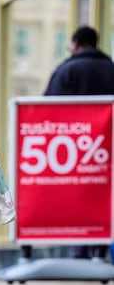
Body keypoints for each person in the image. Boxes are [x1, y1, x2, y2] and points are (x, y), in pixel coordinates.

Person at [44, 26, 114, 259]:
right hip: (105, 150)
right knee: (104, 197)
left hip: (73, 151)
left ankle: (81, 249)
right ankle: (101, 248)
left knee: (77, 195)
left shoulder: (66, 70)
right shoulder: (110, 69)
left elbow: (47, 110)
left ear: (76, 44)